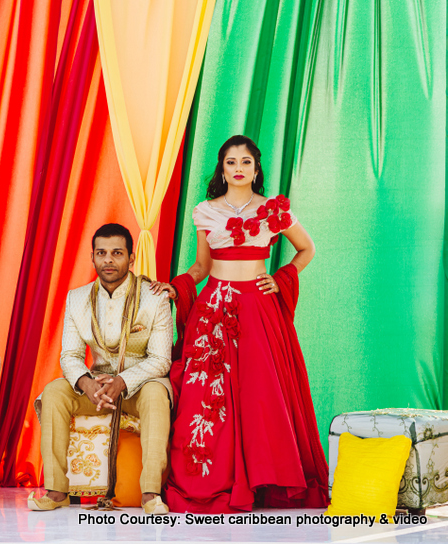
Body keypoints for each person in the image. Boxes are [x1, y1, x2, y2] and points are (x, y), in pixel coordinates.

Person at [150, 135, 329, 513]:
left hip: (258, 311)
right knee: (206, 400)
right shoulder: (205, 211)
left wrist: (280, 278)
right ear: (222, 168)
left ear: (256, 168)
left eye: (245, 162)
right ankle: (208, 481)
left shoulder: (273, 210)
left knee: (259, 397)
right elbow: (201, 268)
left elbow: (307, 248)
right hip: (213, 310)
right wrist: (176, 286)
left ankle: (263, 483)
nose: (238, 168)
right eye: (231, 162)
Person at [29, 223, 173, 514]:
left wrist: (122, 381)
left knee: (158, 393)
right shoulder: (77, 298)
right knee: (54, 391)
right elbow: (69, 355)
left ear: (131, 258)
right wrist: (86, 384)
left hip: (140, 385)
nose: (108, 260)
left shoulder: (154, 297)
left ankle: (150, 494)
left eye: (117, 253)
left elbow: (161, 360)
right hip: (96, 387)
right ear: (92, 257)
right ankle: (57, 490)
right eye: (102, 253)